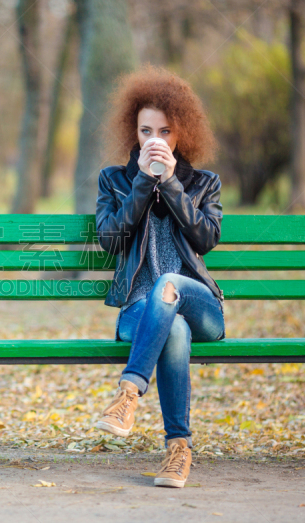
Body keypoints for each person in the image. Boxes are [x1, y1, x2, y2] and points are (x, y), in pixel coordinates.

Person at [93, 65, 225, 488]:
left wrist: (168, 183)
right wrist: (140, 185)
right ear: (134, 132)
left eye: (164, 132)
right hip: (140, 311)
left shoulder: (204, 183)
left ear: (181, 134)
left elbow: (205, 239)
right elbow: (110, 241)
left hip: (199, 304)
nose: (155, 140)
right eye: (146, 131)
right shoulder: (114, 181)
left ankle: (129, 393)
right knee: (174, 330)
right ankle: (178, 450)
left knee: (170, 286)